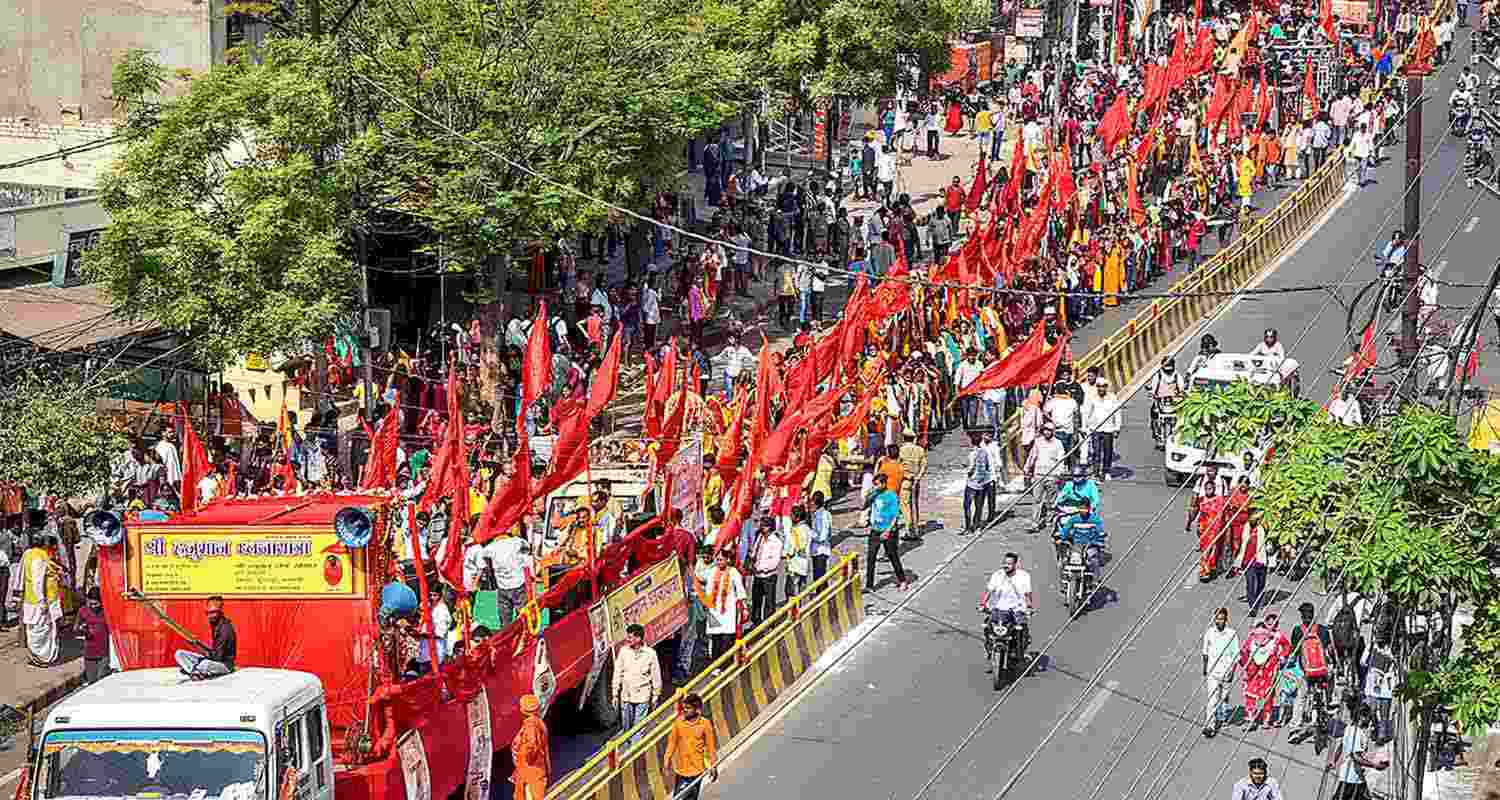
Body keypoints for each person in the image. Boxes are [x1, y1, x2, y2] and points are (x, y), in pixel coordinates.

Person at [1237, 612, 1292, 731]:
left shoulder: (1278, 636)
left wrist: (1282, 656)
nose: (1270, 626)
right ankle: (1250, 718)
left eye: (1273, 623)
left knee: (1268, 694)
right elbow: (1245, 650)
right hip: (1254, 670)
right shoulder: (1255, 635)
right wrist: (1245, 663)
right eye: (1268, 622)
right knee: (1250, 693)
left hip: (1270, 670)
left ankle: (1266, 718)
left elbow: (1287, 647)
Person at [613, 623, 661, 744]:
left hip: (642, 697)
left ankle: (634, 756)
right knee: (627, 730)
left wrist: (656, 695)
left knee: (638, 731)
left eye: (630, 637)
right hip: (626, 697)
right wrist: (615, 693)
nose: (627, 640)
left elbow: (656, 675)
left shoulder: (650, 654)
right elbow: (617, 672)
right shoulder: (623, 652)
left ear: (638, 638)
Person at [664, 693, 717, 800]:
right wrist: (667, 760)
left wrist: (713, 765)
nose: (684, 710)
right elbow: (672, 743)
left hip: (697, 771)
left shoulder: (705, 724)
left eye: (688, 708)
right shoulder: (678, 723)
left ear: (697, 709)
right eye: (684, 708)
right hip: (681, 770)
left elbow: (711, 747)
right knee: (678, 797)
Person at [20, 535, 64, 666]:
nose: (55, 548)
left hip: (35, 600)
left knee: (39, 629)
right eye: (53, 545)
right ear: (46, 545)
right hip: (42, 601)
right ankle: (43, 657)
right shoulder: (39, 558)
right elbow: (37, 581)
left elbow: (22, 575)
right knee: (42, 629)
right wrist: (42, 601)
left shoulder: (29, 554)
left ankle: (42, 657)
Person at [866, 473, 910, 590]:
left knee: (892, 556)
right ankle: (869, 585)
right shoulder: (875, 494)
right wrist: (869, 494)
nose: (875, 486)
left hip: (889, 531)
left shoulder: (891, 496)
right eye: (874, 484)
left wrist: (888, 531)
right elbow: (864, 505)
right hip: (875, 529)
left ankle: (902, 580)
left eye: (877, 484)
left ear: (884, 484)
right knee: (871, 557)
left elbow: (895, 516)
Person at [175, 595, 237, 678]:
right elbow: (213, 652)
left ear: (220, 611)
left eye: (213, 613)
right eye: (208, 613)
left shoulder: (225, 629)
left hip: (225, 665)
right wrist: (197, 643)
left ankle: (193, 670)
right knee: (179, 654)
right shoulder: (215, 624)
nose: (209, 616)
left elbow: (217, 658)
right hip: (213, 659)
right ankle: (195, 671)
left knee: (205, 664)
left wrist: (197, 646)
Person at [1333, 706, 1388, 799]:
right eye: (1368, 717)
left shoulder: (1348, 728)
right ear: (1362, 717)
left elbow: (1341, 746)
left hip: (1356, 777)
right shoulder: (1357, 733)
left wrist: (1333, 761)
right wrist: (1375, 765)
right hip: (1351, 778)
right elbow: (1356, 757)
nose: (1370, 720)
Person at [1202, 608, 1241, 738]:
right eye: (1217, 618)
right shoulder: (1209, 633)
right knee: (1212, 700)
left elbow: (1236, 655)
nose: (1219, 621)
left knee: (1224, 698)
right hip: (1212, 672)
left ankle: (1222, 717)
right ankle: (1210, 726)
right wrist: (1205, 668)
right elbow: (1205, 652)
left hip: (1226, 672)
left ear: (1226, 619)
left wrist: (1232, 672)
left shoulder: (1232, 634)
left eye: (1222, 618)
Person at [979, 552, 1034, 643]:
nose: (1006, 566)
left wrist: (1028, 606)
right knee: (988, 626)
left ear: (1015, 565)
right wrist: (983, 603)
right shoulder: (997, 575)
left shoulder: (1024, 576)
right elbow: (989, 591)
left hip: (1017, 609)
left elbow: (1027, 593)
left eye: (1009, 564)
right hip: (999, 608)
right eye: (1004, 563)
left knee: (1020, 630)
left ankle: (1020, 651)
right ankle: (989, 646)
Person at [702, 549, 747, 660]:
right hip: (714, 610)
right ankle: (716, 665)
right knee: (716, 638)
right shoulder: (712, 572)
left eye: (721, 560)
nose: (718, 562)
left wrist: (744, 607)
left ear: (727, 560)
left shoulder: (733, 572)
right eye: (717, 560)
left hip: (728, 610)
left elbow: (740, 591)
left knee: (727, 638)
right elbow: (708, 590)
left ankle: (727, 664)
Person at [512, 694, 550, 800]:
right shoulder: (537, 723)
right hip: (532, 770)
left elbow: (531, 745)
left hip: (531, 772)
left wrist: (524, 759)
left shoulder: (531, 726)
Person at [748, 518, 784, 624]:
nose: (761, 527)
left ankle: (769, 623)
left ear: (769, 528)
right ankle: (756, 621)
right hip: (757, 575)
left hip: (768, 576)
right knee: (756, 600)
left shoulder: (776, 542)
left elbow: (775, 562)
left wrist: (761, 568)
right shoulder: (760, 538)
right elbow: (754, 552)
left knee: (769, 602)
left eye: (763, 525)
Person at [77, 588, 111, 684]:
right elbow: (75, 628)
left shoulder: (107, 611)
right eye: (90, 604)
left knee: (102, 680)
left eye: (96, 604)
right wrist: (81, 628)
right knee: (92, 682)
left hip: (104, 652)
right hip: (89, 652)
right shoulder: (82, 611)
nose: (93, 606)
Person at [963, 431, 992, 535]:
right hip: (982, 483)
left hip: (972, 484)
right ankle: (977, 526)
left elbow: (971, 468)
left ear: (972, 442)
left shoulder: (972, 454)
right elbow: (988, 467)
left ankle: (968, 528)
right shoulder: (984, 452)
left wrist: (967, 470)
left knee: (967, 506)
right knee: (979, 506)